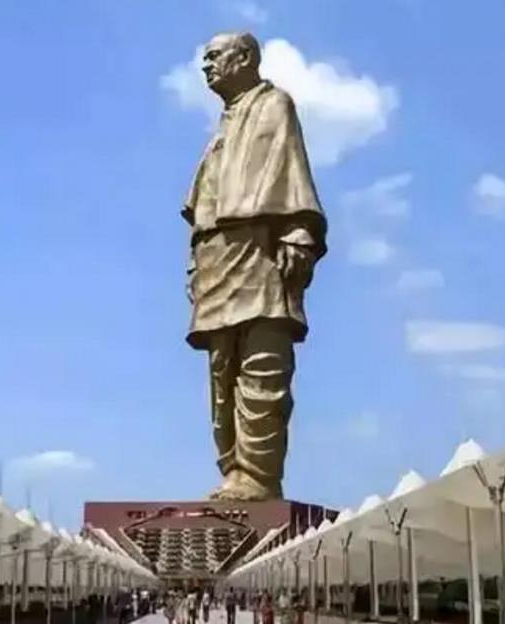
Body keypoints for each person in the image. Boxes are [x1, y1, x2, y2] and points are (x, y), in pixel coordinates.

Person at [182, 31, 328, 502]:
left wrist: (298, 231)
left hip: (258, 252)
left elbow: (292, 172)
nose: (206, 66)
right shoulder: (222, 129)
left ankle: (259, 477)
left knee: (262, 366)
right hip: (216, 259)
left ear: (244, 57)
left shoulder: (273, 105)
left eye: (214, 56)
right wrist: (194, 265)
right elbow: (202, 201)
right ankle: (233, 470)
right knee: (221, 375)